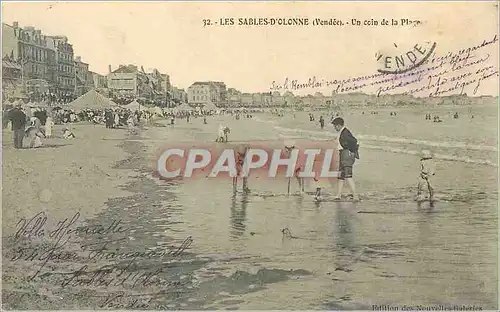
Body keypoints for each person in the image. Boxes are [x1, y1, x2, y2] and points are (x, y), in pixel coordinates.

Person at [332, 117, 360, 201]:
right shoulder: (343, 132)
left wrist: (350, 150)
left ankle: (355, 196)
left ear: (339, 125)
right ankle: (338, 195)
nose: (334, 128)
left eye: (335, 126)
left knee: (348, 176)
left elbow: (354, 141)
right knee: (341, 176)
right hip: (343, 154)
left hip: (346, 154)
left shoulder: (345, 133)